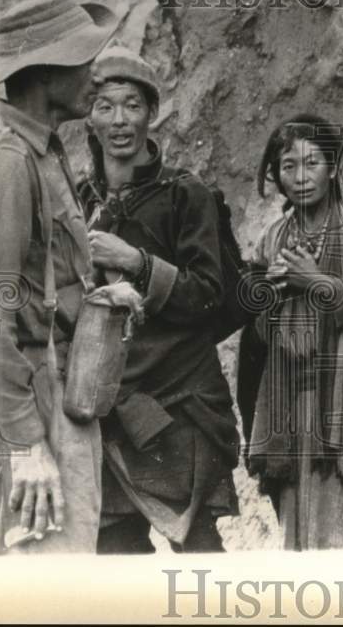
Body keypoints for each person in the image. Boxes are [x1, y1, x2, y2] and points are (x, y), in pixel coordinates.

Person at [0, 0, 122, 553]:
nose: (95, 76)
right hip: (30, 409)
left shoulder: (44, 154)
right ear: (45, 72)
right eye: (83, 60)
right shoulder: (7, 163)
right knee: (43, 580)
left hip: (61, 395)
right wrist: (26, 443)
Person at [77, 46, 239, 553]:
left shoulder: (185, 194)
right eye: (105, 106)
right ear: (88, 116)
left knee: (198, 553)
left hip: (182, 404)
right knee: (114, 555)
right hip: (110, 408)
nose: (119, 121)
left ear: (152, 112)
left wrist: (135, 261)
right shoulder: (78, 201)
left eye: (132, 105)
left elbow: (210, 295)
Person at [245, 114, 343, 550]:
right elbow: (255, 331)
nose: (300, 177)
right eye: (288, 166)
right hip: (292, 403)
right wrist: (269, 294)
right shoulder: (272, 238)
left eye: (312, 163)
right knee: (300, 524)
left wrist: (319, 283)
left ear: (333, 168)